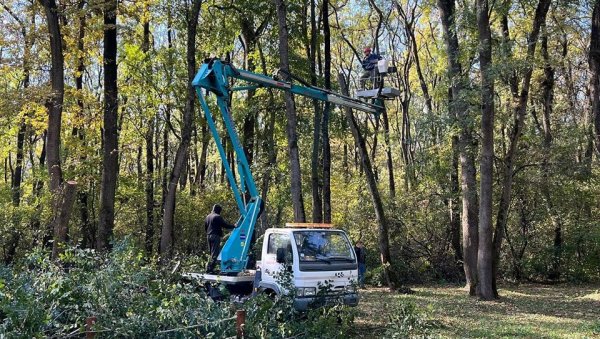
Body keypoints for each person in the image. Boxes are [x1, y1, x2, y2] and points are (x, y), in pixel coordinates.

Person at [205, 204, 236, 273]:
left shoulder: (208, 217)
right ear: (219, 210)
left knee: (211, 252)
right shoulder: (217, 216)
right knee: (215, 253)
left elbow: (206, 227)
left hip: (208, 235)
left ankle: (208, 267)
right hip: (215, 236)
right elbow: (225, 225)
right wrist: (233, 226)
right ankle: (210, 269)